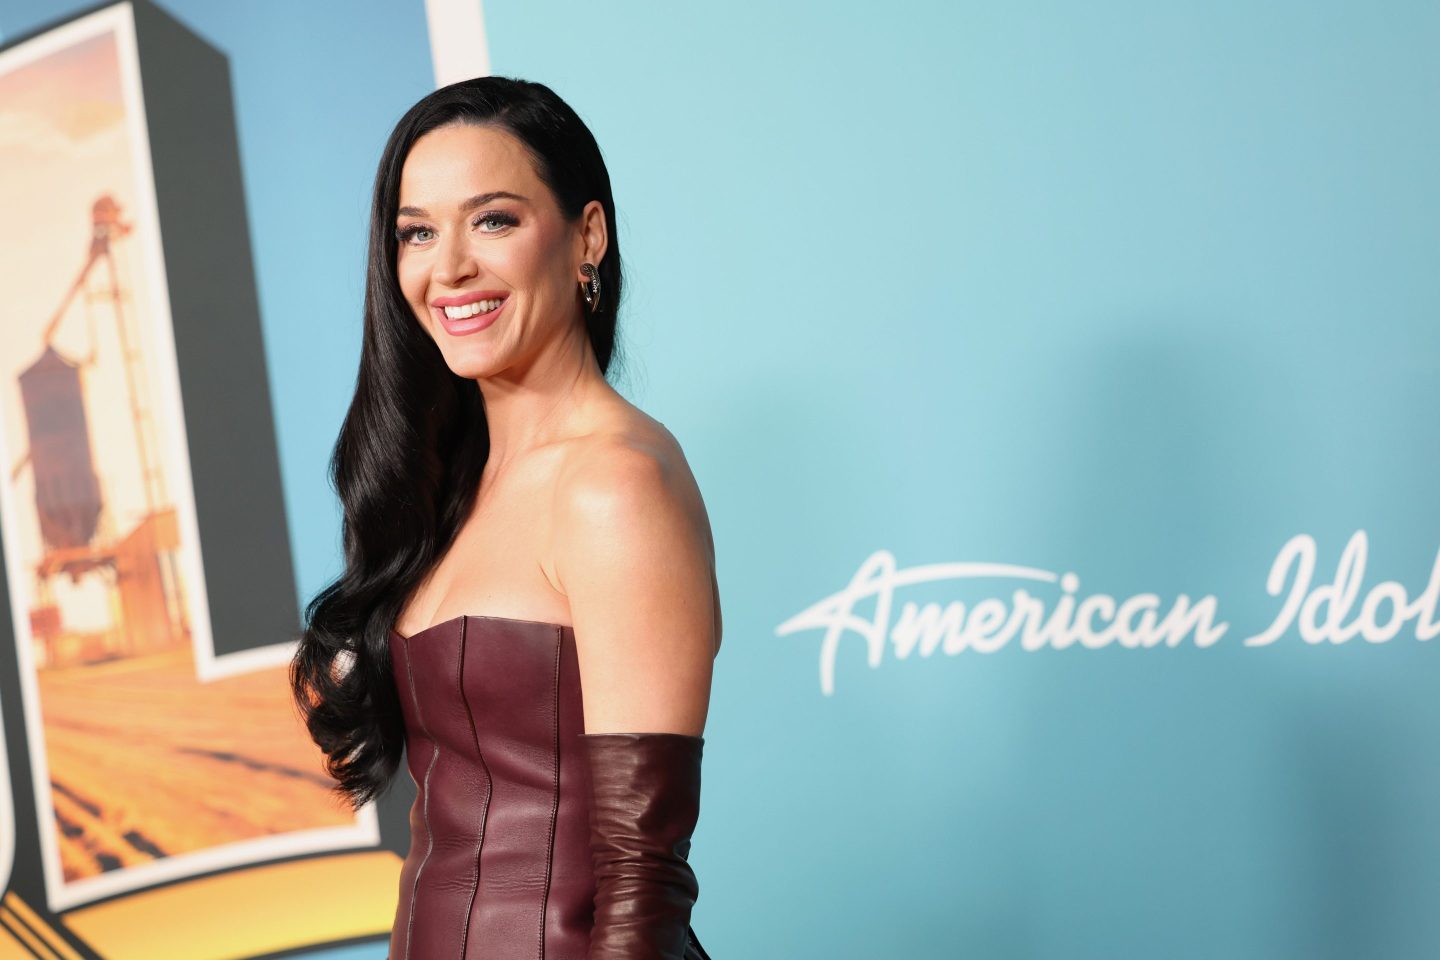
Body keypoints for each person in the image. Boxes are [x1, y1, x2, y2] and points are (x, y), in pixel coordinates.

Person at [289, 75, 720, 960]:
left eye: (492, 220)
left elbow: (641, 877)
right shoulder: (451, 488)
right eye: (417, 232)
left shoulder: (614, 486)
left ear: (586, 237)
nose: (448, 268)